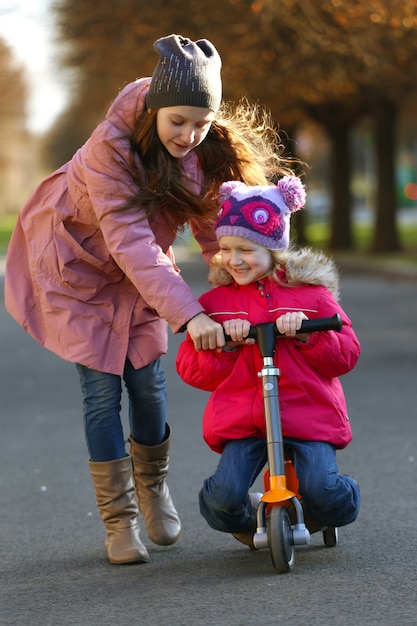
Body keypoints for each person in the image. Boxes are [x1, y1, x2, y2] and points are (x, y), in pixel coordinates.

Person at [5, 34, 296, 565]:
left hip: (139, 275)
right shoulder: (108, 149)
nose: (188, 134)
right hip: (78, 271)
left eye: (200, 123)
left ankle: (153, 488)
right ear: (155, 110)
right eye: (177, 121)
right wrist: (189, 314)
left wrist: (262, 292)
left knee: (147, 379)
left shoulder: (202, 153)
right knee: (101, 391)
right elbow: (130, 241)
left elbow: (217, 235)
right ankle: (119, 521)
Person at [176, 177, 361, 549]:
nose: (234, 259)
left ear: (273, 248)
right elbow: (192, 369)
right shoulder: (215, 305)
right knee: (221, 498)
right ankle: (253, 523)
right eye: (227, 249)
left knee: (325, 492)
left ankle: (321, 510)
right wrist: (223, 343)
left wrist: (309, 333)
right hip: (244, 420)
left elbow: (346, 353)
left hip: (308, 413)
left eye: (246, 248)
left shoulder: (312, 298)